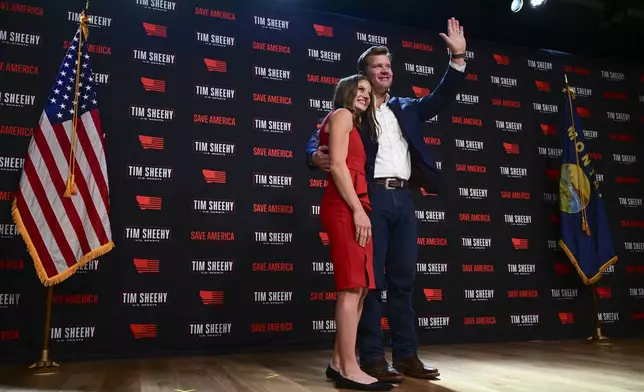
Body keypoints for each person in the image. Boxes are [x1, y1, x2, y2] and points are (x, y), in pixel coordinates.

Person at [308, 18, 467, 383]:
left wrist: (457, 59)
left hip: (405, 198)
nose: (385, 71)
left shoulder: (407, 107)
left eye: (388, 66)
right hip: (371, 198)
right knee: (369, 282)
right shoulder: (355, 110)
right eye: (377, 66)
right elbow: (321, 133)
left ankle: (407, 355)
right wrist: (314, 155)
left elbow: (442, 97)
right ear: (363, 74)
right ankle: (373, 358)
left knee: (403, 281)